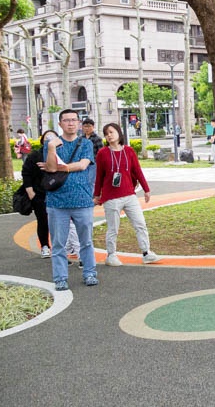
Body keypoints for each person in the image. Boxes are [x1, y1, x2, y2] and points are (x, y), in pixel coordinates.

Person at [42, 109, 98, 290]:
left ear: (79, 123)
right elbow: (50, 168)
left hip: (82, 200)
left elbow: (83, 165)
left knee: (86, 241)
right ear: (60, 124)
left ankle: (90, 273)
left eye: (74, 120)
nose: (71, 123)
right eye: (67, 120)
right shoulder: (51, 144)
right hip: (57, 201)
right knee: (58, 243)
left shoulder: (86, 143)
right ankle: (60, 278)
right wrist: (51, 148)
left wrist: (61, 167)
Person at [93, 122, 161, 266]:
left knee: (140, 223)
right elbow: (99, 175)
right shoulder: (103, 153)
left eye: (111, 132)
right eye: (106, 133)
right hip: (111, 197)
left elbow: (137, 171)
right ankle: (111, 255)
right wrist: (97, 194)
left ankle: (146, 252)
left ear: (119, 132)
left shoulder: (129, 151)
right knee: (113, 228)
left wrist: (146, 189)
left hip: (129, 195)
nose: (109, 135)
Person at [21, 130, 56, 257]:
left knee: (59, 221)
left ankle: (63, 247)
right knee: (42, 220)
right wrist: (31, 192)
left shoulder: (61, 154)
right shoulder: (35, 155)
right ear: (42, 140)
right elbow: (26, 173)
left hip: (57, 192)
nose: (50, 140)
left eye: (53, 137)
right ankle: (45, 246)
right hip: (40, 194)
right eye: (47, 138)